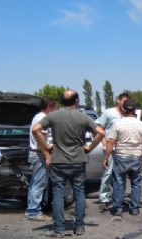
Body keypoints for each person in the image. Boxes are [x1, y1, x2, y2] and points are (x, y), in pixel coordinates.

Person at [32, 90, 105, 238]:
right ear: (76, 101)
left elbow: (35, 130)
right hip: (78, 160)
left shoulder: (53, 116)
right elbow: (101, 133)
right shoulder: (83, 117)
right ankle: (79, 227)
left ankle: (59, 229)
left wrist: (45, 146)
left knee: (58, 194)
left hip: (58, 160)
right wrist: (90, 147)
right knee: (79, 193)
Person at [103, 99, 142, 218]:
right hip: (136, 156)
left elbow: (111, 142)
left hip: (121, 156)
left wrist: (106, 157)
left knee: (119, 183)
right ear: (134, 110)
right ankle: (134, 208)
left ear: (123, 109)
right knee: (136, 183)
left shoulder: (118, 124)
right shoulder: (141, 124)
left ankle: (117, 208)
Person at [94, 92, 130, 211]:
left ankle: (119, 198)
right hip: (110, 148)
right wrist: (103, 141)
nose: (124, 103)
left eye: (126, 101)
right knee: (108, 173)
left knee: (121, 175)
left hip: (122, 149)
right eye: (123, 101)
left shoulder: (127, 114)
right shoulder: (109, 113)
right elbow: (98, 127)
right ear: (118, 101)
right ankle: (104, 198)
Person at [24, 98, 58, 221]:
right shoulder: (41, 119)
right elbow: (41, 141)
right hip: (39, 154)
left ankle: (34, 208)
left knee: (36, 183)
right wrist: (48, 156)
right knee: (39, 183)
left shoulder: (39, 117)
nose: (56, 110)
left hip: (38, 153)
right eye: (55, 108)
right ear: (49, 107)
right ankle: (33, 211)